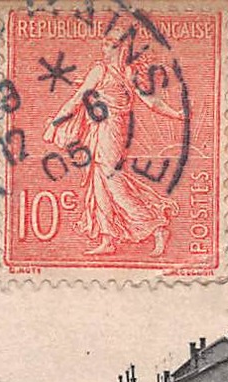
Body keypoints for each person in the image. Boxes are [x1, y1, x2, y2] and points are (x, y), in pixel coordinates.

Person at [43, 34, 184, 257]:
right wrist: (57, 121)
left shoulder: (129, 73)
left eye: (110, 46)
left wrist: (176, 114)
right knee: (99, 182)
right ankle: (108, 238)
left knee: (113, 181)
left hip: (114, 131)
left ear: (122, 49)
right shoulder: (100, 70)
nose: (105, 49)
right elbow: (78, 97)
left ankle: (156, 225)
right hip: (99, 130)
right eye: (104, 45)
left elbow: (151, 101)